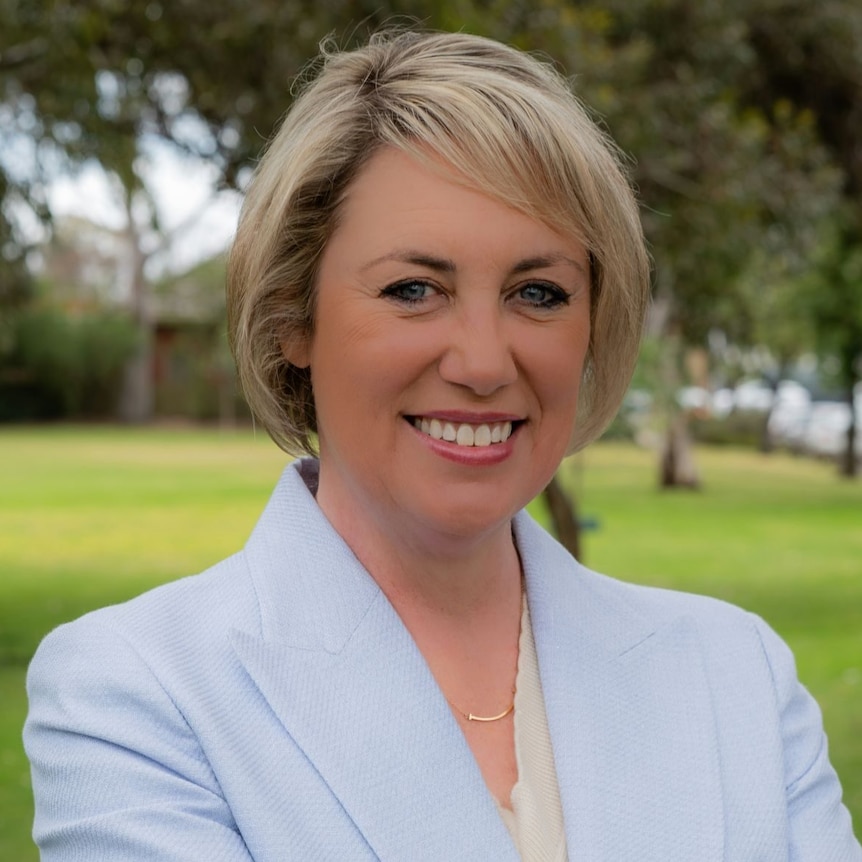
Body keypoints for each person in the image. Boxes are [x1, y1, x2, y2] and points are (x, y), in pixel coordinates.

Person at [24, 29, 860, 862]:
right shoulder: (136, 696)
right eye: (414, 290)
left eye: (538, 293)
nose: (484, 362)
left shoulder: (737, 677)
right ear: (293, 320)